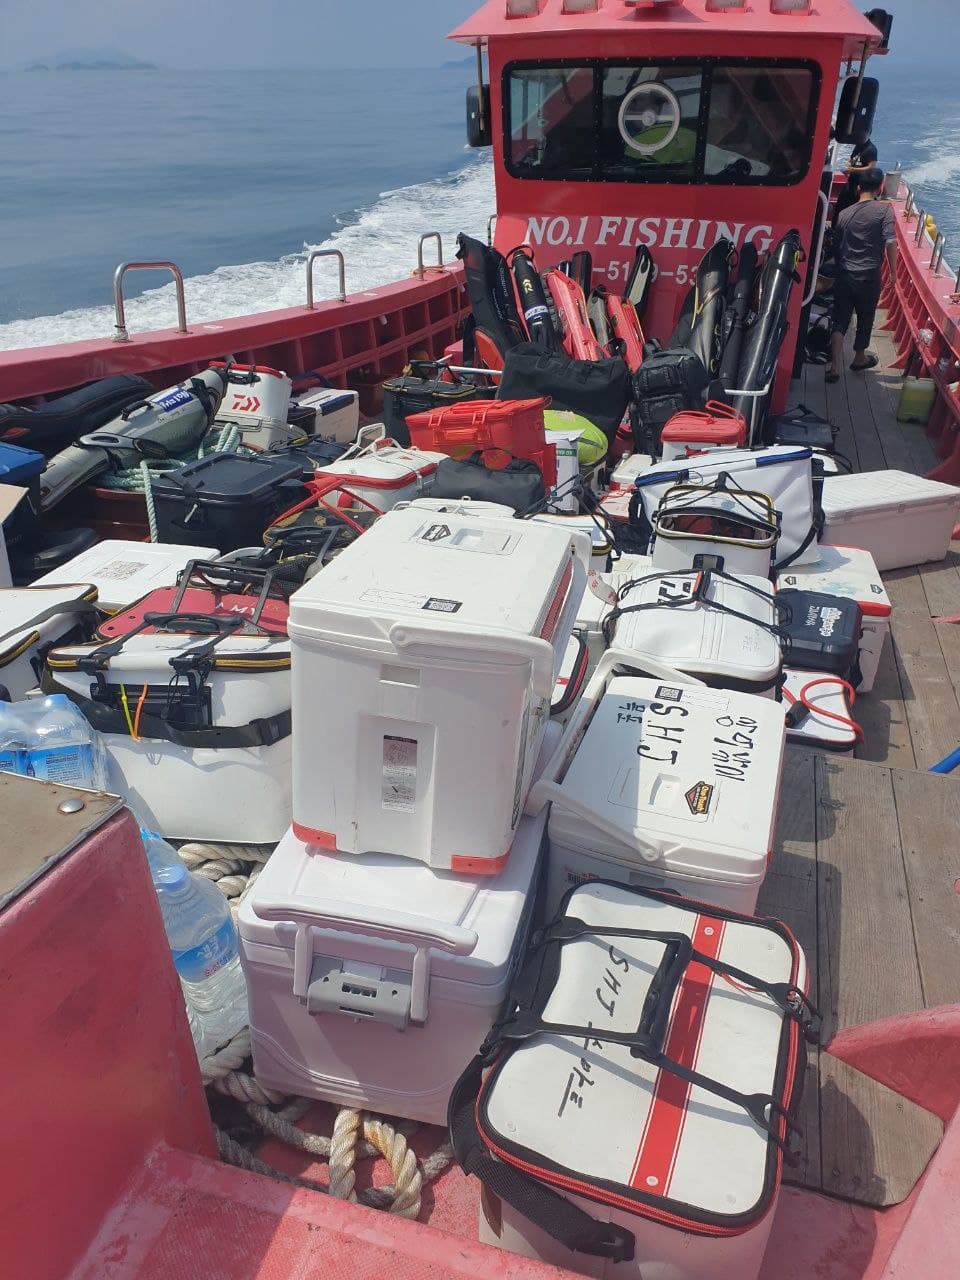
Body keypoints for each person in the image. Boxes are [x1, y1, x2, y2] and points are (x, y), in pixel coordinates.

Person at [827, 167, 897, 384]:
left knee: (840, 320)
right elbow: (890, 242)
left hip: (845, 274)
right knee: (865, 318)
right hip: (868, 275)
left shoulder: (844, 214)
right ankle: (859, 358)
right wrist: (893, 272)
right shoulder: (884, 212)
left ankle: (834, 366)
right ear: (879, 188)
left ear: (858, 188)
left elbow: (836, 245)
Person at [834, 132, 879, 219]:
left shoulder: (871, 149)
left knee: (853, 211)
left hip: (860, 185)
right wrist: (848, 164)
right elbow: (852, 159)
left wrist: (853, 170)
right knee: (840, 206)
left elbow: (871, 167)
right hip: (850, 183)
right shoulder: (858, 146)